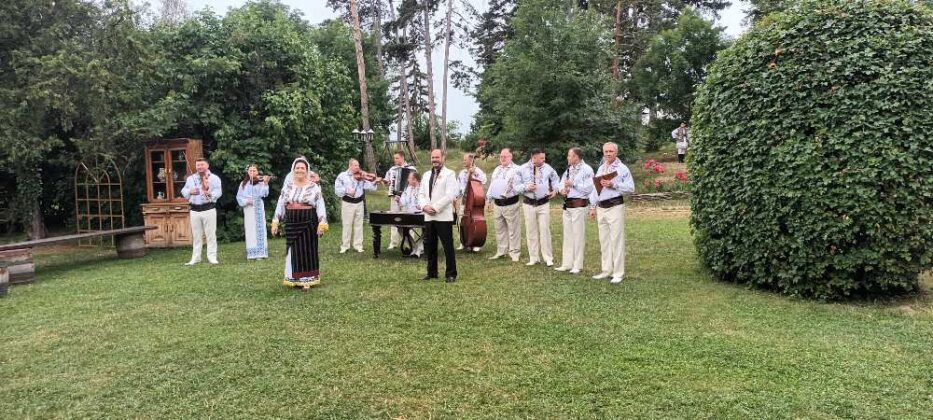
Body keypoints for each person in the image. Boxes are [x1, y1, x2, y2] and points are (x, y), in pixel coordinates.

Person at [272, 158, 328, 288]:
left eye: (302, 168)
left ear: (307, 171)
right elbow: (281, 204)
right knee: (292, 250)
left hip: (308, 222)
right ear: (293, 170)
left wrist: (322, 223)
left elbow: (320, 205)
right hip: (291, 222)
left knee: (307, 250)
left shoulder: (314, 187)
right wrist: (276, 221)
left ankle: (306, 280)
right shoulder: (287, 186)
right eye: (297, 168)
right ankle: (293, 278)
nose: (300, 170)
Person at [589, 142, 635, 284]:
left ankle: (618, 273)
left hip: (615, 207)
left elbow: (631, 188)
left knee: (616, 240)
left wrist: (613, 184)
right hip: (601, 208)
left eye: (611, 151)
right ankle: (606, 270)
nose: (608, 154)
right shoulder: (601, 168)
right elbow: (595, 188)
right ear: (603, 152)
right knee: (604, 240)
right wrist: (592, 206)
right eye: (606, 151)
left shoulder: (622, 168)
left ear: (616, 152)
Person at [418, 149, 459, 282]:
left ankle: (451, 274)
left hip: (443, 216)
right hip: (428, 215)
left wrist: (435, 208)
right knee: (430, 245)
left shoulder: (450, 174)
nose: (434, 160)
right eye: (433, 157)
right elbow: (421, 194)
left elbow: (450, 195)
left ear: (443, 158)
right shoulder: (426, 175)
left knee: (447, 246)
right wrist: (424, 206)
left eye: (437, 157)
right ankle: (432, 272)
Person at [515, 148, 560, 266]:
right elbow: (516, 187)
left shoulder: (548, 168)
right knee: (531, 231)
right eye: (542, 158)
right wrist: (526, 187)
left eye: (544, 158)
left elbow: (556, 180)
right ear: (533, 158)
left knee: (545, 230)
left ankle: (548, 258)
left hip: (543, 203)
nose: (544, 160)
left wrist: (555, 190)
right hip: (528, 203)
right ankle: (534, 258)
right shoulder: (521, 169)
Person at [555, 147, 594, 274]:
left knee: (578, 235)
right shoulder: (569, 169)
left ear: (576, 157)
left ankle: (577, 265)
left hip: (579, 205)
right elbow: (561, 183)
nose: (567, 157)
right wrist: (562, 190)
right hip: (567, 205)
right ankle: (567, 263)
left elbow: (589, 188)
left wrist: (574, 185)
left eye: (569, 155)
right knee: (567, 235)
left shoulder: (586, 169)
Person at [181, 157, 222, 265]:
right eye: (198, 165)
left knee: (210, 235)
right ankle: (196, 258)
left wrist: (211, 194)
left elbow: (219, 191)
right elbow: (184, 190)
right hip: (194, 210)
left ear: (207, 165)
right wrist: (190, 191)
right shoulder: (190, 178)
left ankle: (212, 257)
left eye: (202, 164)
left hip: (208, 209)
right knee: (196, 236)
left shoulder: (214, 178)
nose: (200, 167)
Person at [486, 148, 522, 262]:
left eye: (505, 156)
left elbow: (521, 186)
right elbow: (492, 185)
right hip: (497, 204)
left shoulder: (517, 169)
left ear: (511, 157)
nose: (502, 158)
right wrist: (488, 199)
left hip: (511, 203)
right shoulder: (497, 169)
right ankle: (501, 251)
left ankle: (514, 252)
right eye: (501, 156)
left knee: (513, 230)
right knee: (499, 229)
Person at [334, 159, 376, 253]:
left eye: (358, 165)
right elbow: (337, 189)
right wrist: (347, 190)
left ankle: (358, 245)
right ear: (350, 166)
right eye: (355, 165)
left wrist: (374, 181)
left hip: (359, 202)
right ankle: (345, 246)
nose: (358, 167)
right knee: (347, 225)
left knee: (359, 224)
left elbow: (369, 186)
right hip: (348, 203)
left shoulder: (361, 176)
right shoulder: (342, 176)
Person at [382, 151, 416, 250]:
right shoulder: (392, 169)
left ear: (402, 158)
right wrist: (388, 182)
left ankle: (410, 242)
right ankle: (393, 242)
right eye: (394, 158)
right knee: (394, 218)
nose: (395, 160)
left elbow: (415, 182)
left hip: (407, 197)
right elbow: (387, 180)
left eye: (397, 158)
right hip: (394, 196)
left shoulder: (412, 169)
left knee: (408, 218)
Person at [236, 164, 271, 260]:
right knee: (250, 229)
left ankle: (261, 253)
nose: (252, 172)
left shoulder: (260, 182)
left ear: (257, 172)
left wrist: (266, 183)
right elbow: (239, 197)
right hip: (248, 208)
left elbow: (264, 194)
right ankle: (252, 253)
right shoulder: (243, 183)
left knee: (260, 229)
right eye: (250, 171)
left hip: (258, 206)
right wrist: (246, 201)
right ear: (247, 172)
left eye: (254, 171)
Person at [456, 152, 487, 252]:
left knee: (475, 222)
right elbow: (458, 186)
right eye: (463, 160)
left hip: (473, 201)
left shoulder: (477, 170)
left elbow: (484, 180)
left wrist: (475, 173)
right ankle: (463, 242)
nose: (463, 161)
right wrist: (456, 195)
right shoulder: (462, 173)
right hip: (464, 200)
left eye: (465, 160)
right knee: (461, 221)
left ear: (471, 160)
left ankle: (475, 242)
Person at [398, 171, 424, 257]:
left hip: (421, 214)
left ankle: (419, 248)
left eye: (409, 178)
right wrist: (399, 200)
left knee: (428, 229)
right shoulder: (408, 188)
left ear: (415, 179)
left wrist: (422, 206)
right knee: (400, 228)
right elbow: (404, 202)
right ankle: (415, 247)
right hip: (410, 214)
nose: (408, 180)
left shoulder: (423, 188)